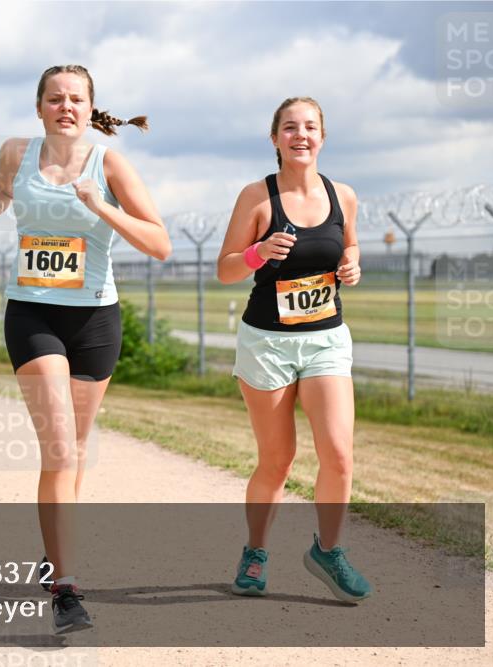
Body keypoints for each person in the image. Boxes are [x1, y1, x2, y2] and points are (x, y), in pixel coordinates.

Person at [0, 64, 171, 633]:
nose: (65, 106)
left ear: (90, 107)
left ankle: (55, 553)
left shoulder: (111, 164)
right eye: (55, 98)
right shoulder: (15, 152)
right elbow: (2, 192)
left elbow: (160, 244)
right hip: (32, 314)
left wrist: (100, 206)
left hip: (96, 320)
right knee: (60, 449)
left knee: (73, 448)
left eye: (76, 98)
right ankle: (67, 591)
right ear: (40, 107)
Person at [216, 97, 372, 603]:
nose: (299, 135)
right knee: (278, 460)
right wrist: (259, 252)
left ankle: (328, 550)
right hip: (267, 343)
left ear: (322, 136)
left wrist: (351, 264)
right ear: (275, 138)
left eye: (309, 127)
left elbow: (347, 245)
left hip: (326, 337)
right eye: (289, 127)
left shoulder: (343, 194)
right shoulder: (257, 197)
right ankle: (256, 553)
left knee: (340, 455)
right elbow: (225, 269)